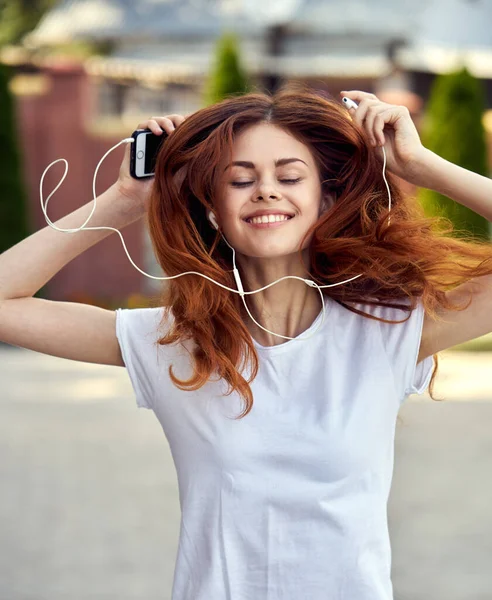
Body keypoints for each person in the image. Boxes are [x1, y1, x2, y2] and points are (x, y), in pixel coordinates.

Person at [1, 84, 492, 600]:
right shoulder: (173, 341)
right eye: (239, 179)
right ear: (213, 207)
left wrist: (420, 166)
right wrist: (124, 200)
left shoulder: (387, 331)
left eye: (289, 176)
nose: (265, 191)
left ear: (325, 198)